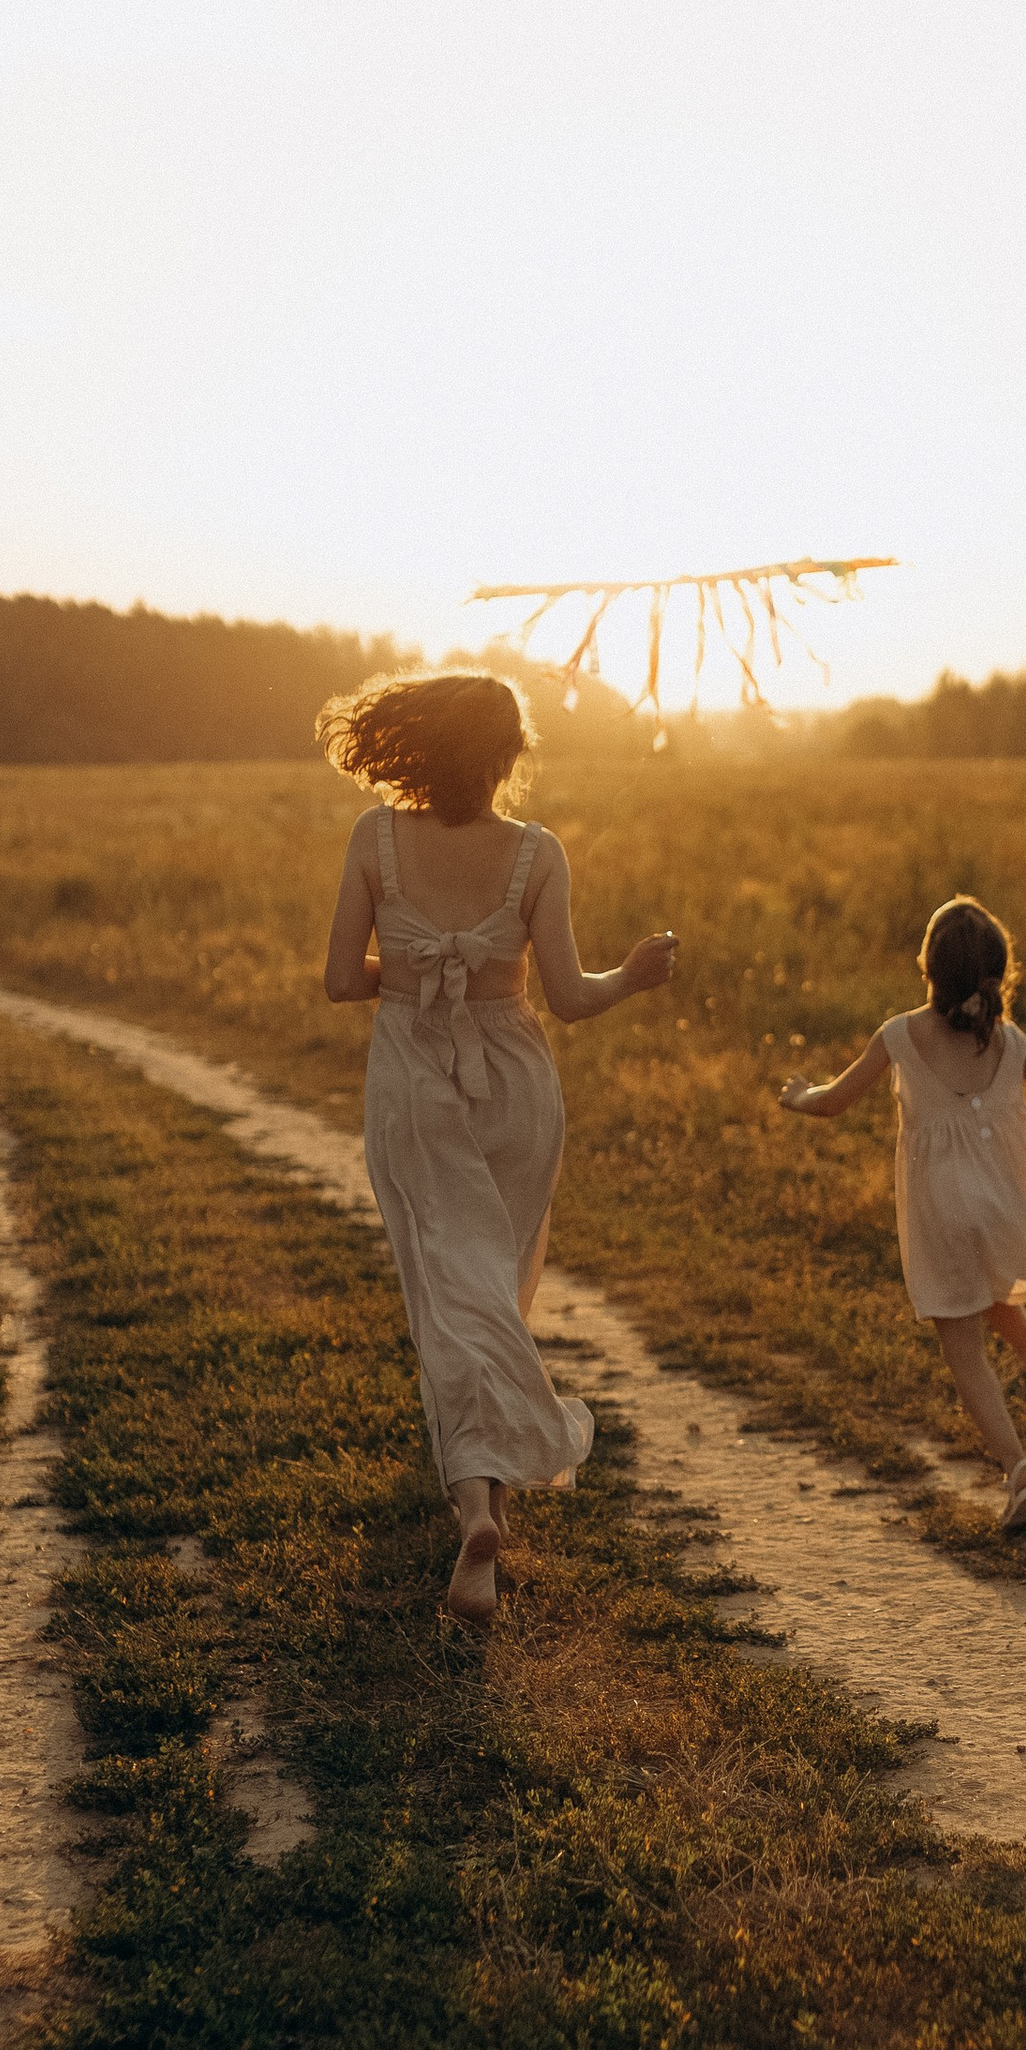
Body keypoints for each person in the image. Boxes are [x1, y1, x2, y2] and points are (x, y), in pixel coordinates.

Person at [317, 670, 675, 1625]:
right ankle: (491, 1500)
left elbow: (340, 980)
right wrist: (634, 976)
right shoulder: (537, 853)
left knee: (448, 1296)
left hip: (415, 1079)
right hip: (516, 1084)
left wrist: (414, 969)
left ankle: (477, 1510)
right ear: (508, 756)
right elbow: (570, 997)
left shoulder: (373, 839)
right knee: (496, 1294)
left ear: (419, 746)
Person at [781, 894, 1026, 1531]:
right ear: (997, 974)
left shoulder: (899, 1035)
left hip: (940, 1210)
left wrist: (800, 1096)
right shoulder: (1010, 1041)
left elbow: (834, 1102)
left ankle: (1019, 1471)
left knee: (963, 1349)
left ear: (928, 970)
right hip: (1000, 1199)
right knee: (989, 1289)